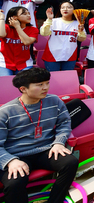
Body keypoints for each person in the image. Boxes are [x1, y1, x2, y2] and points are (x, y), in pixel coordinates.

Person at [0, 67, 79, 203]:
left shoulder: (54, 101)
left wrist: (59, 142)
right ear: (23, 89)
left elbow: (65, 123)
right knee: (14, 183)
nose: (45, 88)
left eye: (47, 83)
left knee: (70, 162)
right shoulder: (5, 112)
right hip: (16, 155)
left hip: (45, 150)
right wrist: (10, 161)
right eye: (39, 85)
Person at [41, 1, 86, 72]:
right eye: (63, 8)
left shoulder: (78, 23)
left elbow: (81, 39)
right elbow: (44, 33)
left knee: (66, 79)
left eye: (69, 7)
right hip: (52, 54)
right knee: (53, 79)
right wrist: (49, 19)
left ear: (74, 10)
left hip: (70, 55)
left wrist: (80, 31)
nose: (65, 9)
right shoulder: (53, 21)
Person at [0, 7, 39, 76]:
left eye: (29, 13)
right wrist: (1, 18)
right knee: (5, 84)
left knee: (24, 84)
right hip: (4, 64)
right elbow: (1, 34)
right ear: (15, 17)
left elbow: (27, 42)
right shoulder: (6, 27)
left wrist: (18, 27)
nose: (28, 16)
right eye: (24, 14)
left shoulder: (33, 29)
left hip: (25, 64)